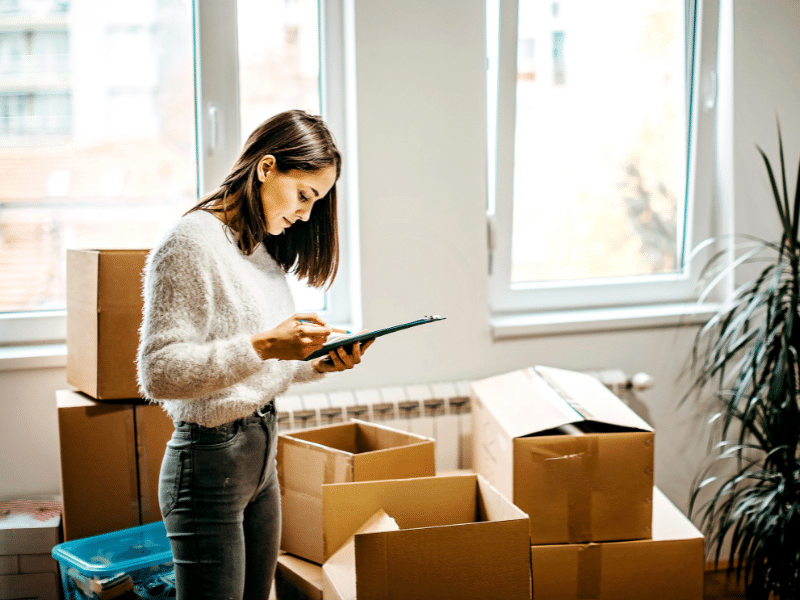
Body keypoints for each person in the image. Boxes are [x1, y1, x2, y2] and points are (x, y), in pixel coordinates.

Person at [136, 109, 371, 600]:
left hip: (261, 452)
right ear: (266, 168)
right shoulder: (189, 243)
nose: (306, 215)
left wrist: (316, 361)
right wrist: (265, 344)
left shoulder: (257, 248)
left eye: (317, 202)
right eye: (304, 195)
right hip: (208, 462)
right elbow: (158, 373)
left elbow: (255, 366)